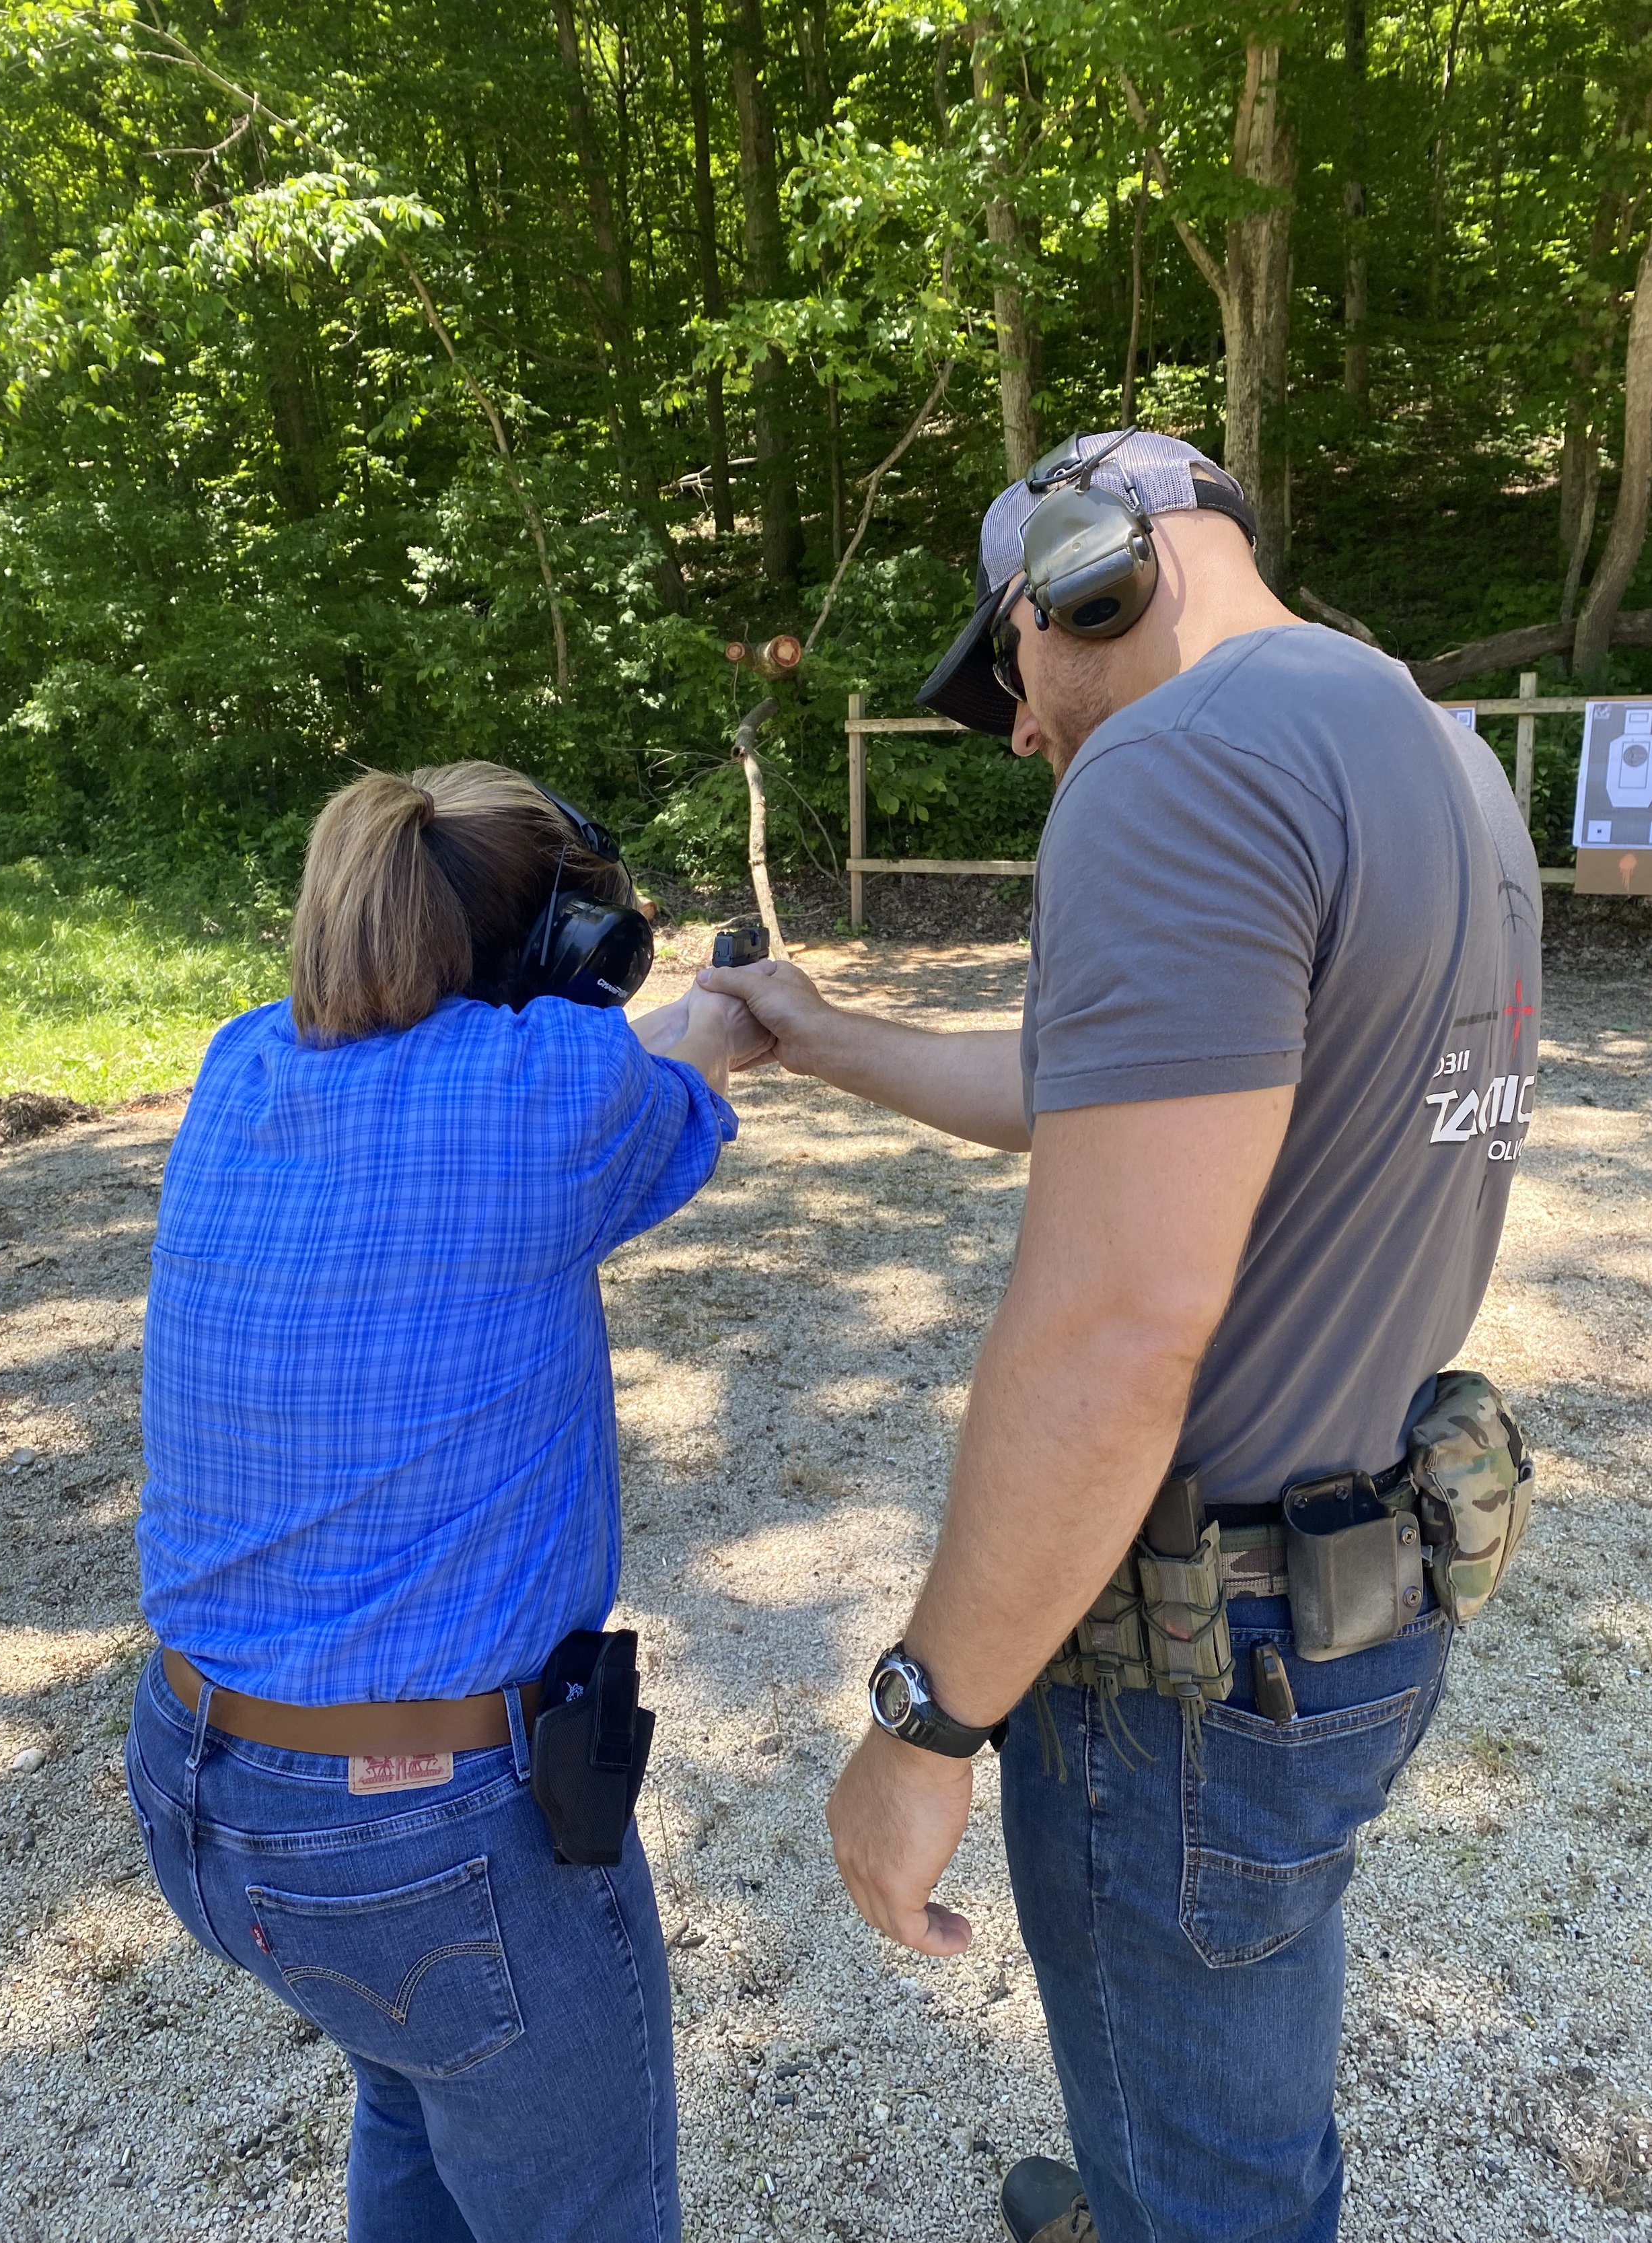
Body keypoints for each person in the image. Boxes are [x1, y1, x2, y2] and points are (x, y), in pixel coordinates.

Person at [705, 430, 1540, 2243]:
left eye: (1008, 666)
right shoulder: (1439, 753)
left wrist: (923, 1722)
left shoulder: (1178, 758)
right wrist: (824, 1032)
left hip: (1191, 1659)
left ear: (1090, 568)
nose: (1017, 729)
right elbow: (1147, 1089)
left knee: (1218, 2179)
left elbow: (1112, 1328)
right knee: (1238, 2056)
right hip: (1359, 1601)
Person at [127, 760, 762, 2243]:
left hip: (207, 1790)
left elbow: (521, 1087)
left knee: (415, 2078)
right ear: (559, 962)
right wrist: (729, 1016)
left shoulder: (239, 1064)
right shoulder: (562, 1087)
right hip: (424, 1836)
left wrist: (657, 1029)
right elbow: (673, 1081)